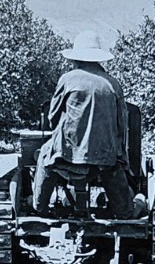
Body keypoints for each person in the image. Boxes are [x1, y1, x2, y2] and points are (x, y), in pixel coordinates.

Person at [32, 30, 141, 219]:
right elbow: (121, 125)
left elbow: (52, 118)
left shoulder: (67, 79)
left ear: (76, 59)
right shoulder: (113, 84)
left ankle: (39, 206)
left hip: (67, 155)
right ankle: (125, 210)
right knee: (115, 175)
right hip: (105, 158)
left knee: (44, 155)